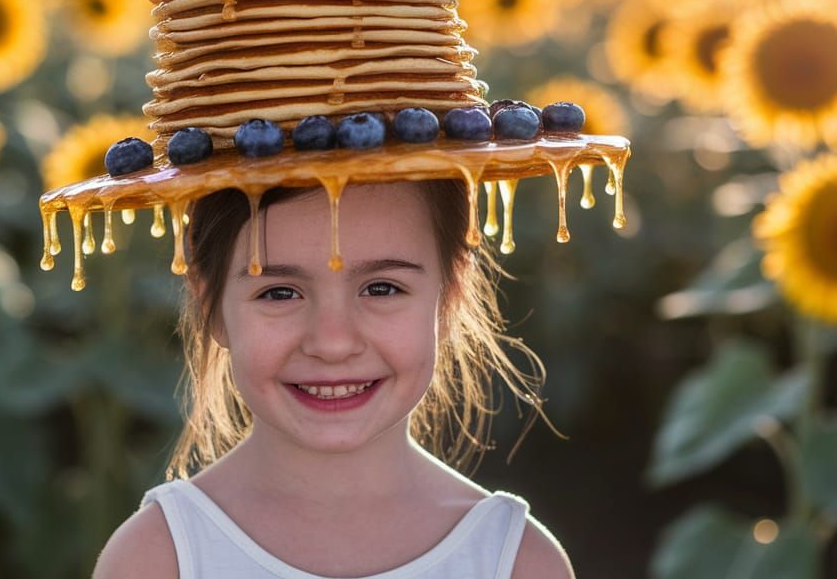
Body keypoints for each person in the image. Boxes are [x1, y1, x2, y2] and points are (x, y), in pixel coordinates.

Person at [93, 179, 576, 578]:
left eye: (382, 287)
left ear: (449, 296)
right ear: (210, 306)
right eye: (279, 292)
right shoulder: (159, 560)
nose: (333, 342)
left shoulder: (516, 564)